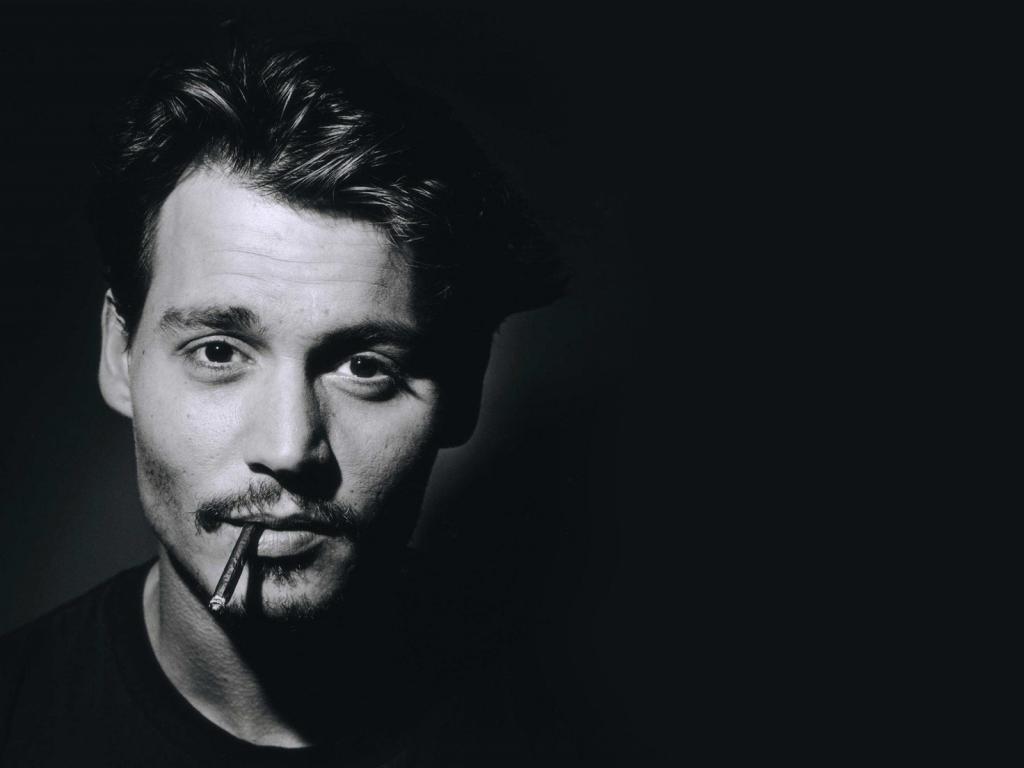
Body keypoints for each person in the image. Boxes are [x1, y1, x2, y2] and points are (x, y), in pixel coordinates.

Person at [0, 38, 565, 767]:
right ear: (120, 354)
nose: (289, 447)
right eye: (218, 352)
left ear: (465, 391)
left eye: (364, 366)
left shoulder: (588, 730)